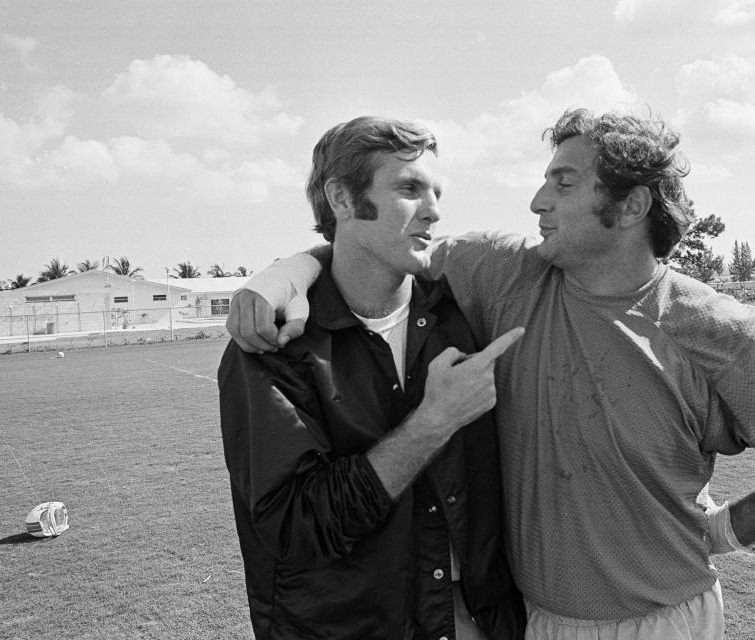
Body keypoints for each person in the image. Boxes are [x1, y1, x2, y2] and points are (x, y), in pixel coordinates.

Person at [227, 108, 755, 639]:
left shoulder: (722, 331)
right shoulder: (510, 274)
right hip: (533, 622)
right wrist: (286, 272)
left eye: (564, 182)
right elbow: (372, 246)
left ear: (629, 207)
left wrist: (727, 530)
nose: (538, 199)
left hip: (668, 624)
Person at [218, 116, 526, 640]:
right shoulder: (275, 345)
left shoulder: (462, 313)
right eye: (408, 188)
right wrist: (434, 421)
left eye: (436, 192)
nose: (433, 210)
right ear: (341, 198)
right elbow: (297, 527)